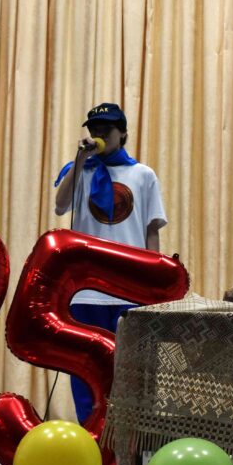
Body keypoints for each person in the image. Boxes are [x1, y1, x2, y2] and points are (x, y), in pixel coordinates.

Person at [53, 102, 167, 423]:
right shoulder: (81, 171)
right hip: (86, 290)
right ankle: (91, 432)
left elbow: (151, 230)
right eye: (94, 129)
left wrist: (153, 285)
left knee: (130, 369)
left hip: (129, 290)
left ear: (123, 133)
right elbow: (60, 205)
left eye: (106, 129)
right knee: (84, 367)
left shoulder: (142, 175)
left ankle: (128, 437)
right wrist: (79, 162)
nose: (99, 134)